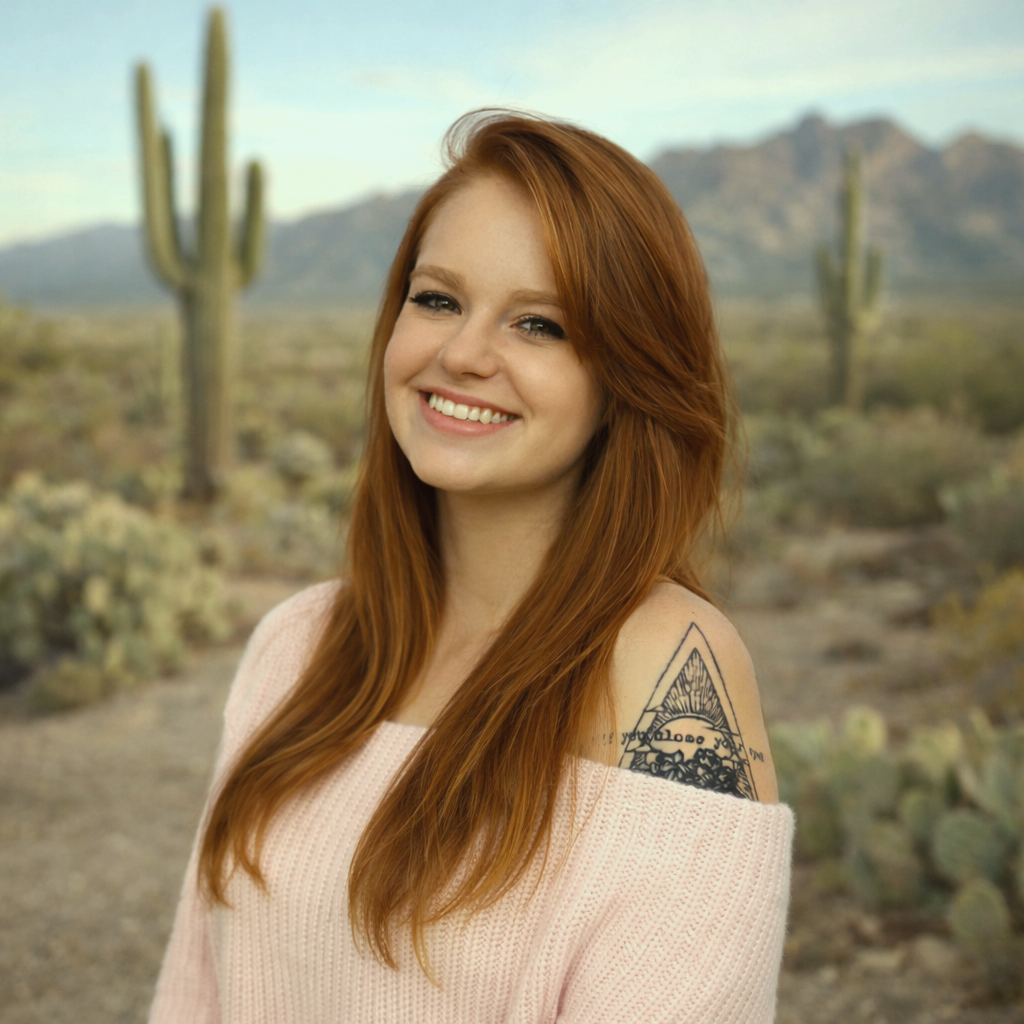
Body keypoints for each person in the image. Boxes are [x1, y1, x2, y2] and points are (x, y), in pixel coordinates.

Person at [149, 110, 793, 1024]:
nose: (461, 355)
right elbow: (195, 992)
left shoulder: (667, 666)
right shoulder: (298, 643)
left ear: (628, 381)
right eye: (438, 299)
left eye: (539, 324)